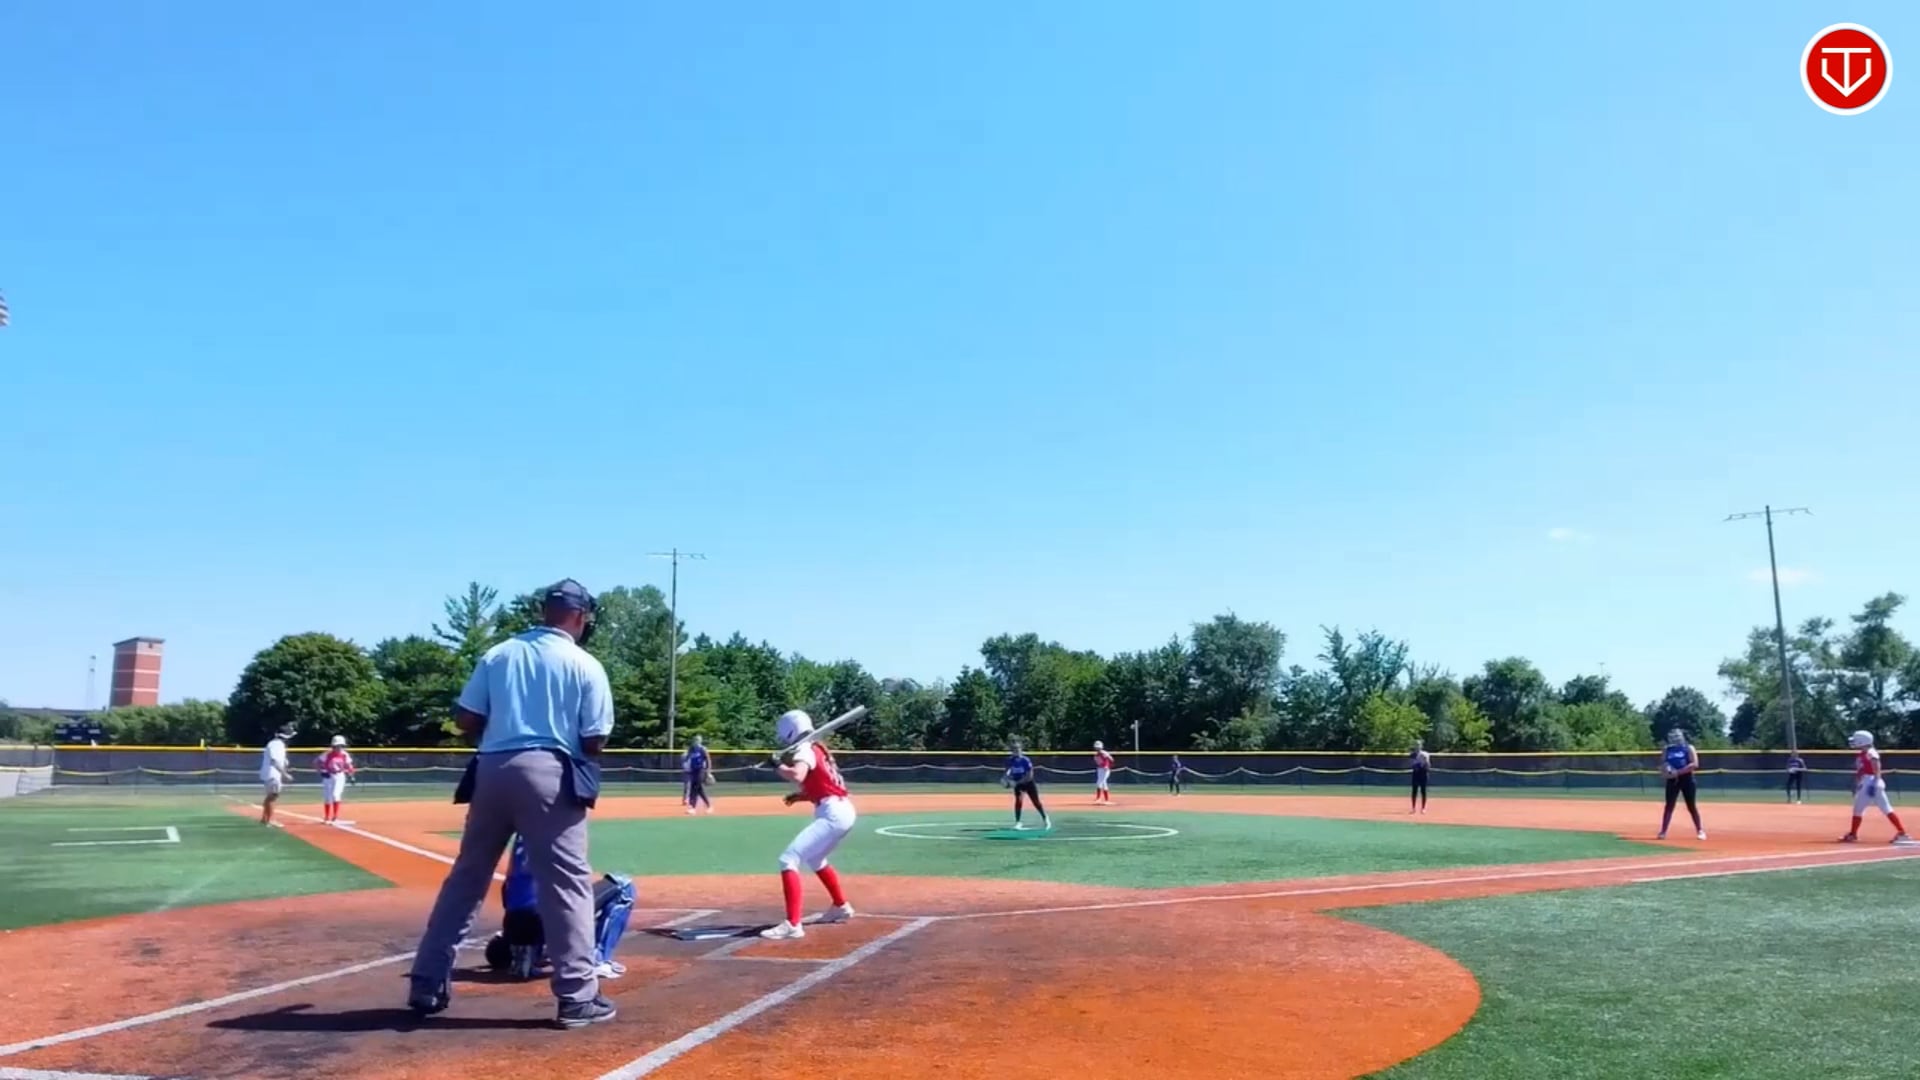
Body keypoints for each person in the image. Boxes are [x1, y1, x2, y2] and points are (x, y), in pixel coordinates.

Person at [406, 579, 617, 1030]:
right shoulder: (584, 663)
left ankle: (427, 981)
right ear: (580, 616)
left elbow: (466, 718)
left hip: (491, 770)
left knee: (467, 878)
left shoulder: (499, 654)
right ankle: (577, 996)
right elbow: (594, 739)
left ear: (545, 611)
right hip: (550, 772)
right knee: (566, 885)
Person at [760, 709, 858, 940]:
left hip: (833, 813)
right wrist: (800, 796)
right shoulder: (818, 748)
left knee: (788, 859)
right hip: (842, 810)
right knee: (815, 859)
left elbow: (797, 775)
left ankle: (793, 924)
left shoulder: (805, 748)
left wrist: (777, 765)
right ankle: (840, 906)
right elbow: (824, 784)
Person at [484, 834, 636, 980]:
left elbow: (507, 891)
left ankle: (528, 955)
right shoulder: (558, 830)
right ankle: (597, 960)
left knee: (530, 898)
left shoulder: (521, 836)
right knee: (623, 885)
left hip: (515, 923)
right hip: (550, 918)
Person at [1839, 730, 1912, 844]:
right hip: (1869, 781)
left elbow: (1877, 767)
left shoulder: (1871, 752)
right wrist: (1858, 782)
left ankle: (1853, 834)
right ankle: (1902, 833)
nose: (1854, 742)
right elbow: (1862, 770)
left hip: (1871, 781)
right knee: (1885, 808)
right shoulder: (1864, 753)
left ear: (1862, 741)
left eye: (1856, 740)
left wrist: (1875, 782)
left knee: (1859, 809)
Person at [1657, 729, 1706, 841]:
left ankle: (1700, 830)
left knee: (1691, 806)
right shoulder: (1667, 749)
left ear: (1682, 737)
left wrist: (1678, 772)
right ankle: (1663, 831)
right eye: (1672, 736)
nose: (1674, 739)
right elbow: (1663, 762)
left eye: (1677, 736)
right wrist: (1667, 769)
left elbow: (1694, 764)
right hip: (1672, 780)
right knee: (1669, 806)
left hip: (1687, 779)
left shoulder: (1688, 748)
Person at [1002, 737, 1051, 830]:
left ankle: (1045, 818)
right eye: (1014, 750)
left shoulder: (1025, 760)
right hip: (1018, 784)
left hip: (1028, 783)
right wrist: (1005, 778)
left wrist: (1016, 783)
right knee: (1018, 801)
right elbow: (1007, 770)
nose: (1016, 751)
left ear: (1021, 750)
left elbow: (1030, 776)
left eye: (1018, 749)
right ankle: (1018, 822)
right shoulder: (1010, 760)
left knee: (1036, 802)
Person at [258, 724, 295, 827]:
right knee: (273, 796)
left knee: (270, 796)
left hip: (271, 773)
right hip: (273, 774)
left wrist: (284, 763)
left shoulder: (275, 744)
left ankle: (265, 818)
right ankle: (269, 820)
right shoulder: (277, 745)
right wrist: (285, 774)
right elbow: (275, 761)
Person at [315, 735, 356, 825]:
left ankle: (335, 817)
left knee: (335, 795)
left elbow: (349, 765)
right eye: (336, 746)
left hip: (339, 776)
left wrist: (352, 776)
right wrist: (321, 772)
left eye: (340, 746)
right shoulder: (327, 754)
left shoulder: (344, 754)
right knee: (327, 798)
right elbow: (317, 762)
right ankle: (326, 817)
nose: (338, 748)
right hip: (328, 776)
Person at [682, 735, 714, 815]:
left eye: (698, 740)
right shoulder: (691, 748)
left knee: (695, 788)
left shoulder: (703, 749)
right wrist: (685, 763)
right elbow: (687, 758)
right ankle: (709, 806)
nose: (696, 741)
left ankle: (693, 807)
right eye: (695, 740)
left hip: (700, 770)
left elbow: (708, 760)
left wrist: (709, 772)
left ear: (701, 741)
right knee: (699, 789)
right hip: (693, 770)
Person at [1409, 740, 1431, 815]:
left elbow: (1428, 765)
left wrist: (1425, 762)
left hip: (1423, 774)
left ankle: (1423, 808)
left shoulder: (1426, 754)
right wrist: (1417, 764)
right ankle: (1413, 808)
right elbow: (1412, 764)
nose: (1417, 746)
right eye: (1416, 745)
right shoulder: (1412, 754)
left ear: (1421, 746)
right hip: (1416, 774)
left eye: (1418, 745)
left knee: (1423, 791)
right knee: (1414, 791)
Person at [1092, 740, 1115, 805]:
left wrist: (1107, 766)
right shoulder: (1096, 755)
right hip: (1100, 769)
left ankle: (1100, 799)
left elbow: (1110, 760)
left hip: (1105, 769)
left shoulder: (1104, 753)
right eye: (1096, 747)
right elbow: (1099, 763)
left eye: (1098, 747)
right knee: (1102, 782)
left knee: (1101, 782)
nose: (1097, 748)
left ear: (1101, 747)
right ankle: (1104, 800)